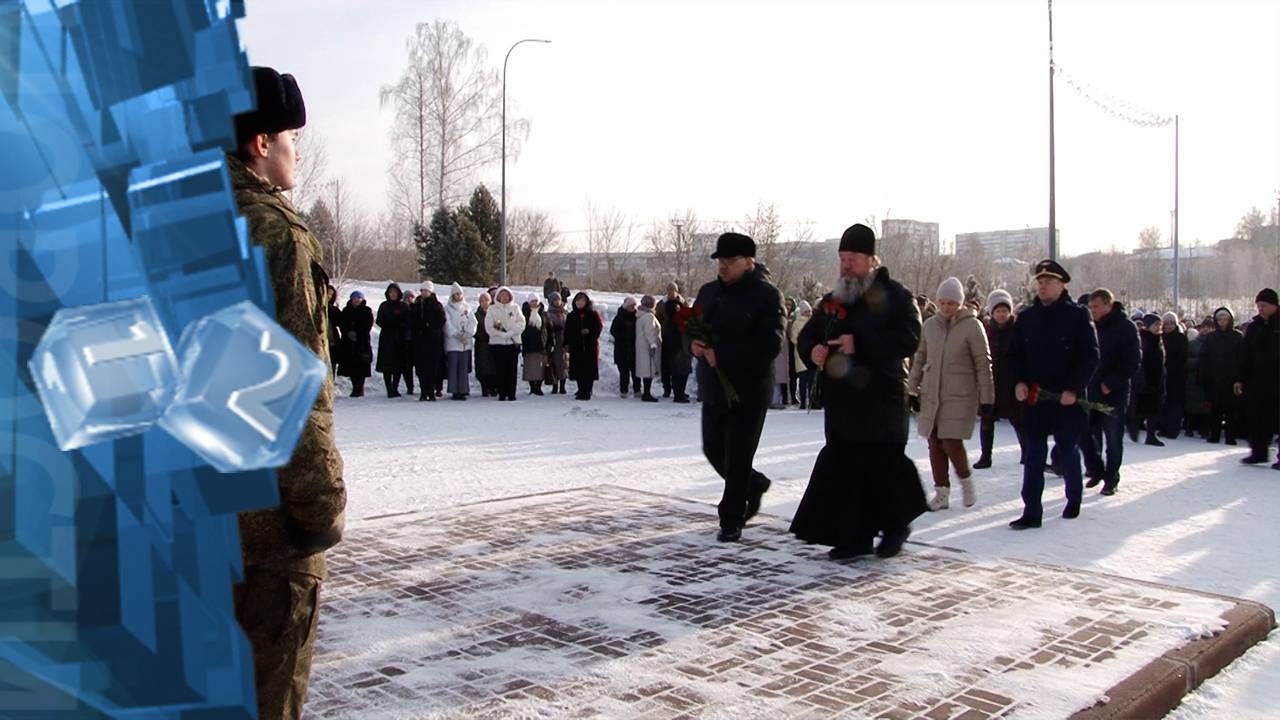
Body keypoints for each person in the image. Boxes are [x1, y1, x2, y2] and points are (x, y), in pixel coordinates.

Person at [228, 66, 346, 720]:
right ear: (260, 144)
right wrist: (320, 504)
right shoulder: (274, 233)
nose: (296, 149)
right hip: (264, 522)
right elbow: (297, 385)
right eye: (289, 136)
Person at [790, 223, 925, 557]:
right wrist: (814, 352)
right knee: (847, 470)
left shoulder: (896, 295)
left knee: (884, 468)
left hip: (881, 400)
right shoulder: (834, 299)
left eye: (852, 259)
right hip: (844, 403)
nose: (846, 265)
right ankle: (854, 537)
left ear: (870, 260)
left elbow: (909, 338)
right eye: (842, 259)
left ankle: (896, 527)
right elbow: (808, 336)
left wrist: (860, 343)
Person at [690, 232, 785, 543]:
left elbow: (770, 344)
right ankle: (754, 485)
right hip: (714, 387)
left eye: (730, 261)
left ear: (749, 262)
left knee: (738, 455)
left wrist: (725, 354)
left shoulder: (767, 296)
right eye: (720, 261)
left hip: (749, 389)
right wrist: (692, 343)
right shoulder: (708, 293)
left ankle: (731, 518)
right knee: (714, 449)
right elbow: (692, 327)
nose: (723, 267)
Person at [1007, 259, 1099, 530]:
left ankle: (1073, 497)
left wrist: (1073, 389)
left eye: (1048, 282)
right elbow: (1015, 356)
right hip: (1036, 398)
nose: (1042, 286)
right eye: (1040, 282)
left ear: (1062, 284)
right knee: (1034, 453)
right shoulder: (1027, 317)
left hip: (1066, 399)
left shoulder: (1077, 315)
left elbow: (1090, 357)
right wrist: (1019, 382)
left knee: (1068, 450)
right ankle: (1032, 511)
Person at [907, 277, 994, 511]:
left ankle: (966, 483)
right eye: (943, 303)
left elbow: (982, 364)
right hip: (932, 393)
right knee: (934, 442)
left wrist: (987, 399)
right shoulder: (930, 326)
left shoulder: (972, 326)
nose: (946, 308)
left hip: (960, 395)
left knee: (951, 442)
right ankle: (941, 492)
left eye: (952, 303)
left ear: (960, 303)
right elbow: (920, 358)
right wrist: (912, 389)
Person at [1080, 289, 1141, 496]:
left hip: (1113, 393)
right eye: (1090, 307)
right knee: (1089, 436)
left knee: (1113, 439)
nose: (1092, 311)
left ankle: (1111, 477)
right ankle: (1097, 470)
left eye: (1096, 307)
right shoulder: (1090, 326)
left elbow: (1132, 361)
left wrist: (1111, 383)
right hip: (1090, 392)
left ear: (1108, 305)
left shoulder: (1126, 328)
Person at [975, 289, 1024, 469]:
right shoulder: (986, 330)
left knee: (1018, 420)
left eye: (1005, 311)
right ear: (992, 312)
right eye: (998, 311)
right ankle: (985, 456)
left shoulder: (1017, 329)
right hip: (991, 380)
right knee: (987, 420)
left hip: (1012, 381)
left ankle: (1026, 453)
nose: (1002, 315)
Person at [1235, 288, 1279, 468]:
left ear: (1274, 305)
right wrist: (1240, 379)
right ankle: (1258, 452)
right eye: (1258, 306)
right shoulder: (1254, 327)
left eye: (1264, 305)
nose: (1260, 309)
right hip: (1257, 382)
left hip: (1278, 381)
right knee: (1258, 418)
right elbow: (1245, 356)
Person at [1199, 307, 1244, 444]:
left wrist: (1240, 378)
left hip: (1232, 379)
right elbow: (1203, 358)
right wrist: (1203, 377)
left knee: (1231, 411)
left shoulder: (1238, 337)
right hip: (1214, 379)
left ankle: (1230, 436)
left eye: (1225, 319)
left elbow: (1243, 359)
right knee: (1215, 410)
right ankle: (1214, 435)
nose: (1222, 322)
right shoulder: (1211, 338)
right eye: (1219, 319)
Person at [484, 286, 526, 402]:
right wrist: (501, 334)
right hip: (497, 344)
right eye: (501, 295)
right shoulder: (492, 309)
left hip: (512, 343)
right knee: (499, 369)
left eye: (506, 295)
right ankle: (502, 393)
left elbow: (521, 323)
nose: (504, 298)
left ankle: (511, 393)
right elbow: (488, 326)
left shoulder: (515, 308)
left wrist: (511, 332)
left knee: (512, 369)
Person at [1133, 314, 1166, 446]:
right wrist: (1142, 379)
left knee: (1154, 409)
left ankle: (1151, 435)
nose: (1158, 327)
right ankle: (1133, 426)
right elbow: (1140, 361)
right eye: (1155, 325)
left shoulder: (1159, 339)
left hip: (1157, 378)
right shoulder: (1143, 339)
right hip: (1145, 378)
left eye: (1159, 324)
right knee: (1142, 407)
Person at [656, 282, 693, 403]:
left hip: (680, 337)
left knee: (680, 366)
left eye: (673, 289)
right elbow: (658, 319)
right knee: (669, 365)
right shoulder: (662, 304)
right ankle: (668, 389)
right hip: (668, 336)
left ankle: (679, 391)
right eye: (669, 289)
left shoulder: (682, 303)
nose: (671, 291)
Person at [375, 282, 412, 398]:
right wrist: (390, 323)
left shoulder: (403, 306)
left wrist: (400, 325)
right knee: (387, 365)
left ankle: (395, 388)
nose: (393, 295)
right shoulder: (384, 306)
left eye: (395, 293)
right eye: (391, 293)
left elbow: (408, 320)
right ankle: (389, 389)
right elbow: (379, 320)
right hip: (387, 337)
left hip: (400, 338)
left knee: (398, 365)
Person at [409, 281, 445, 401]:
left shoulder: (437, 305)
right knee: (421, 367)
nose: (424, 293)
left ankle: (431, 390)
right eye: (422, 290)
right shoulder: (417, 304)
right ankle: (423, 391)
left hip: (433, 340)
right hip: (419, 340)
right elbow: (412, 319)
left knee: (432, 367)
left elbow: (441, 320)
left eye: (426, 291)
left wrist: (430, 325)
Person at [565, 291, 603, 400]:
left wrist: (590, 332)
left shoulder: (592, 314)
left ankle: (587, 391)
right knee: (578, 369)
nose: (580, 303)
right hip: (576, 346)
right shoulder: (572, 315)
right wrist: (567, 343)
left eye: (582, 301)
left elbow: (598, 327)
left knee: (588, 370)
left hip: (589, 346)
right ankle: (581, 389)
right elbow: (567, 331)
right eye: (578, 301)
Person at [443, 282, 475, 400]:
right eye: (456, 294)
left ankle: (463, 389)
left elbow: (473, 322)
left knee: (463, 368)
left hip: (465, 343)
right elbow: (447, 324)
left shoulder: (467, 307)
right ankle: (454, 390)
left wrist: (468, 334)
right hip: (453, 343)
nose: (458, 296)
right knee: (453, 367)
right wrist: (456, 334)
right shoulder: (447, 308)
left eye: (460, 294)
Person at [337, 291, 373, 397]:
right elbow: (342, 324)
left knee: (361, 365)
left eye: (359, 298)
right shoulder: (346, 310)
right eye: (354, 298)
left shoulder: (366, 311)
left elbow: (368, 324)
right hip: (348, 342)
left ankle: (360, 387)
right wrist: (348, 332)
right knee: (351, 366)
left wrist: (358, 332)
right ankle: (354, 387)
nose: (356, 300)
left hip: (362, 342)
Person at [1159, 311, 1189, 438]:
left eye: (1172, 323)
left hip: (1177, 375)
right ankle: (1163, 427)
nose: (1169, 326)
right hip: (1162, 375)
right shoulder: (1160, 337)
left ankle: (1173, 429)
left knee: (1175, 403)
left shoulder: (1181, 338)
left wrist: (1170, 366)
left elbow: (1183, 357)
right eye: (1167, 323)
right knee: (1163, 403)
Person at [610, 297, 640, 398]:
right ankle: (624, 390)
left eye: (634, 305)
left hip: (634, 348)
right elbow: (613, 331)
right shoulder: (620, 316)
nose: (633, 307)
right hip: (621, 348)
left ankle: (637, 389)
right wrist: (623, 336)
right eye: (631, 305)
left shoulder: (637, 316)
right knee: (624, 372)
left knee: (636, 371)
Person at [635, 294, 662, 402]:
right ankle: (647, 393)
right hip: (648, 347)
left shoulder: (641, 315)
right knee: (649, 370)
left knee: (646, 369)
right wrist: (653, 344)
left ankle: (646, 392)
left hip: (642, 346)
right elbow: (650, 332)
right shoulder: (649, 316)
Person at [522, 293, 549, 396]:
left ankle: (539, 387)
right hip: (528, 344)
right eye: (532, 301)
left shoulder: (543, 313)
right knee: (530, 367)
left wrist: (549, 342)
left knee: (540, 368)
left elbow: (548, 328)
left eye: (536, 301)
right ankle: (532, 387)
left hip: (540, 344)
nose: (534, 303)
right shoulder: (525, 313)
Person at [473, 291, 497, 397]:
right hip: (481, 343)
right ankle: (484, 387)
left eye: (486, 300)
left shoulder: (494, 313)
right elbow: (474, 329)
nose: (484, 303)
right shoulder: (476, 315)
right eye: (482, 301)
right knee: (482, 366)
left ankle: (493, 387)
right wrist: (481, 335)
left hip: (493, 342)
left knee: (493, 366)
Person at [791, 301, 814, 409]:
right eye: (806, 311)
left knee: (811, 380)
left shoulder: (813, 321)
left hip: (812, 354)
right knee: (803, 381)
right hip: (801, 354)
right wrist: (803, 343)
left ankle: (812, 401)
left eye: (809, 310)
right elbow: (793, 338)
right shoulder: (797, 323)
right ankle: (803, 402)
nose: (808, 313)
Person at [545, 291, 569, 394]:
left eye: (558, 300)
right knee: (554, 364)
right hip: (554, 341)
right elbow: (546, 327)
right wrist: (553, 328)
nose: (557, 302)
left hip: (564, 341)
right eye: (554, 300)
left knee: (564, 364)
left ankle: (563, 386)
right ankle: (555, 385)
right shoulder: (548, 314)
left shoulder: (565, 312)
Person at [326, 284, 343, 377]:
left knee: (331, 367)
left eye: (331, 294)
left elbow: (342, 324)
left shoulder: (334, 310)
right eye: (327, 293)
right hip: (318, 343)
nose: (328, 296)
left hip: (332, 342)